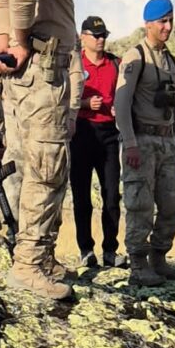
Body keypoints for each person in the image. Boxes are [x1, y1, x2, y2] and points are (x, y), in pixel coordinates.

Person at [0, 0, 88, 303]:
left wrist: (4, 42)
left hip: (28, 74)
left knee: (42, 164)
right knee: (46, 168)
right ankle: (29, 264)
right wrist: (21, 43)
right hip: (44, 68)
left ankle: (43, 254)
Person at [117, 0, 175, 283]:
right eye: (162, 21)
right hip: (141, 141)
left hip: (166, 141)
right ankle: (138, 263)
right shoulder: (135, 57)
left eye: (170, 20)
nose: (168, 27)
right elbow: (121, 103)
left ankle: (159, 256)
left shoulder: (171, 62)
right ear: (148, 24)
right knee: (140, 204)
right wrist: (130, 142)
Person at [69, 15, 121, 272]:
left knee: (111, 195)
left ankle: (110, 250)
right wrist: (85, 105)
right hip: (81, 133)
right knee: (82, 197)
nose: (101, 40)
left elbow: (126, 96)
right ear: (83, 37)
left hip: (110, 135)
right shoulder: (74, 65)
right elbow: (63, 100)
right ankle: (86, 250)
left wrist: (119, 111)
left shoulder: (115, 64)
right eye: (96, 35)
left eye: (103, 36)